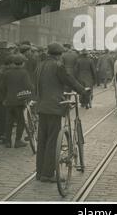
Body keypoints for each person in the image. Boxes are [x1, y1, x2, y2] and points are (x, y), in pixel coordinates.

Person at [35, 42, 89, 183]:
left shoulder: (40, 65)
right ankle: (48, 174)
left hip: (41, 107)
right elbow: (69, 80)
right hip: (54, 107)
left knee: (42, 141)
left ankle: (40, 172)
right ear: (59, 55)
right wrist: (83, 91)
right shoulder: (58, 66)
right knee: (53, 140)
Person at [0, 54, 34, 148]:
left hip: (9, 101)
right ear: (22, 63)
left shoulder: (7, 73)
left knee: (9, 121)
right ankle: (18, 141)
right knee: (21, 121)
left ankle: (8, 142)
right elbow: (28, 86)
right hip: (20, 100)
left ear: (14, 63)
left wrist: (5, 97)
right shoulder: (24, 73)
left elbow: (2, 87)